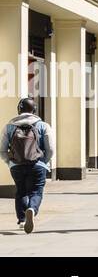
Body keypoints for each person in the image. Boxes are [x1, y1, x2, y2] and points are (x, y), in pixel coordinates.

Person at [2, 98, 52, 234]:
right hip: (38, 164)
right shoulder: (43, 126)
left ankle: (22, 219)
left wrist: (10, 162)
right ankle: (32, 209)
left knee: (20, 190)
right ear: (34, 110)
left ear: (19, 110)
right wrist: (44, 162)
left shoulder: (9, 127)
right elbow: (50, 148)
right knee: (36, 191)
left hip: (16, 165)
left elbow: (2, 149)